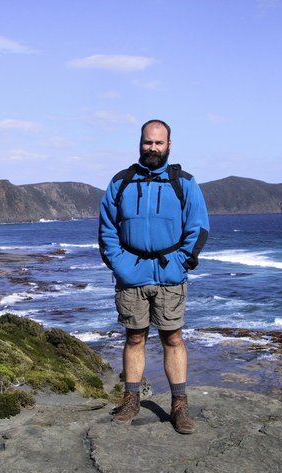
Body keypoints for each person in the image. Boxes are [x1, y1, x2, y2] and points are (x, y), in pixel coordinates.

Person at [98, 119, 209, 434]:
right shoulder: (121, 182)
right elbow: (107, 227)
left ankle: (179, 406)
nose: (153, 148)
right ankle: (131, 401)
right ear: (140, 143)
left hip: (169, 275)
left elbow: (198, 227)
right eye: (148, 142)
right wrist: (118, 263)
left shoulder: (183, 182)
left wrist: (180, 263)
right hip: (130, 274)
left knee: (172, 338)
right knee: (134, 338)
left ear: (169, 146)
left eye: (159, 143)